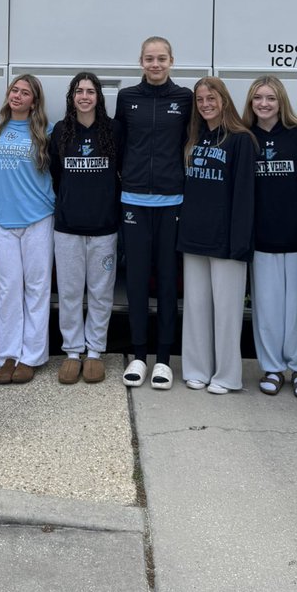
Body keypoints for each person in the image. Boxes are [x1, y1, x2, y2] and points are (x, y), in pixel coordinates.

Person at [116, 36, 192, 390]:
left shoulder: (185, 99)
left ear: (172, 61)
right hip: (133, 201)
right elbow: (119, 144)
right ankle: (138, 356)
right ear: (141, 61)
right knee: (135, 281)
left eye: (162, 58)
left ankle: (163, 360)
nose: (156, 64)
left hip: (171, 202)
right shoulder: (127, 97)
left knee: (165, 281)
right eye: (149, 58)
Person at [179, 77, 256, 394]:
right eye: (200, 99)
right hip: (194, 236)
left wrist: (240, 243)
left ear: (224, 100)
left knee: (226, 313)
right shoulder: (194, 138)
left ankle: (226, 376)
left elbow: (244, 196)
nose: (205, 104)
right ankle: (196, 369)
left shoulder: (241, 139)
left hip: (227, 241)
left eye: (211, 98)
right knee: (196, 308)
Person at [242, 76, 297, 399]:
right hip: (262, 239)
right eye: (258, 98)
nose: (264, 104)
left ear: (281, 101)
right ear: (250, 102)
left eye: (271, 98)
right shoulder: (245, 138)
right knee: (267, 308)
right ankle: (272, 368)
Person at [50, 72, 123, 383]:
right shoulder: (60, 131)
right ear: (72, 96)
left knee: (100, 292)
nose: (84, 96)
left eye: (90, 91)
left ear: (98, 97)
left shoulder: (114, 130)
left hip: (104, 227)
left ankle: (94, 351)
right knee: (68, 292)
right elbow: (56, 174)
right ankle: (71, 351)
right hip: (67, 227)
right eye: (79, 91)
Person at [0, 74, 55, 384]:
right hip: (3, 219)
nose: (17, 95)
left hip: (37, 217)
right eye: (14, 90)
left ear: (34, 100)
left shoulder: (45, 130)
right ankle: (8, 355)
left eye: (25, 92)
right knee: (8, 288)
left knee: (37, 288)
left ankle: (31, 356)